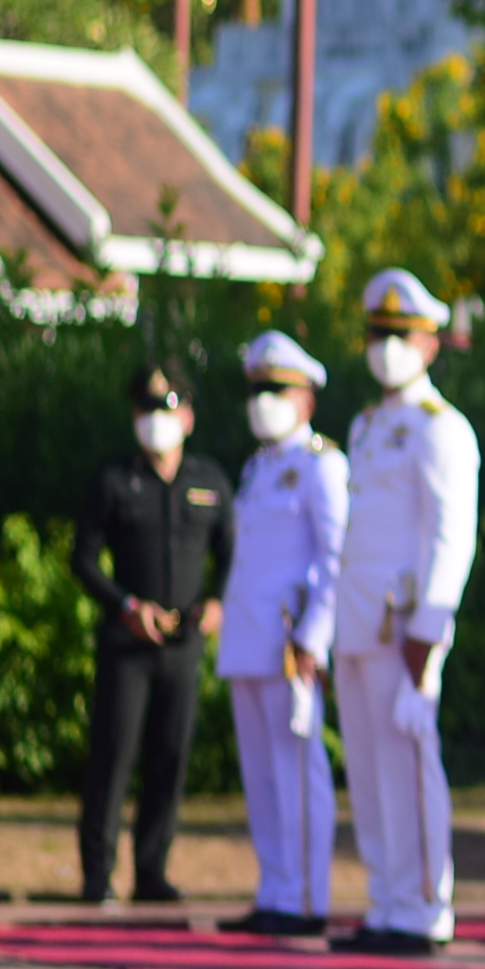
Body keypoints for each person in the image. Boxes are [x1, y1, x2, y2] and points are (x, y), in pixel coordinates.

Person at [329, 272, 476, 953]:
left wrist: (429, 635)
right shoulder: (367, 423)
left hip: (403, 628)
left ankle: (423, 907)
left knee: (411, 765)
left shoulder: (439, 426)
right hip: (356, 622)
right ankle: (386, 900)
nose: (386, 347)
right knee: (366, 766)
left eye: (400, 335)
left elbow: (452, 533)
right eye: (377, 334)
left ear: (430, 343)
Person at [76, 363, 229, 906]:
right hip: (127, 644)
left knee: (170, 755)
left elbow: (231, 555)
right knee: (113, 757)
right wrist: (127, 606)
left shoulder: (209, 480)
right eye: (143, 409)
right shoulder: (115, 480)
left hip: (183, 644)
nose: (152, 420)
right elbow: (85, 561)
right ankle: (97, 875)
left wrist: (217, 600)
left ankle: (152, 871)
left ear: (186, 417)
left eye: (163, 408)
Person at [215, 335, 346, 938]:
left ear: (307, 399)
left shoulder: (322, 465)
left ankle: (305, 898)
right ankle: (275, 888)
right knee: (262, 774)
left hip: (290, 644)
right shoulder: (257, 466)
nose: (264, 401)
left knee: (297, 771)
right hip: (249, 640)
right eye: (257, 389)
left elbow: (334, 559)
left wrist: (314, 638)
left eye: (277, 389)